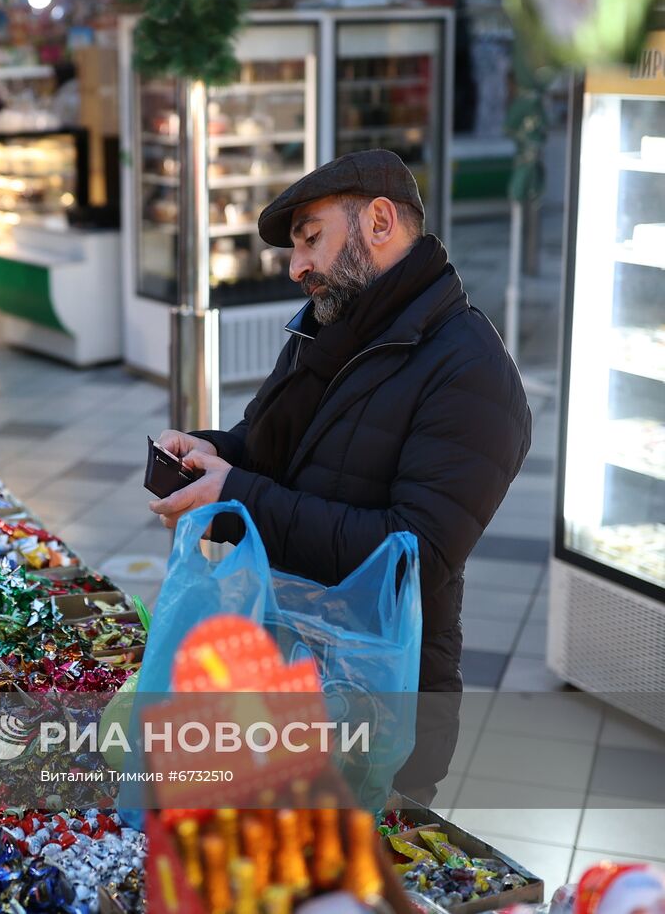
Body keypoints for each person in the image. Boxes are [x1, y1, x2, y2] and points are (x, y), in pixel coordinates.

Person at [148, 149, 532, 804]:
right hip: (283, 676)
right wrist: (213, 455)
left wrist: (239, 495)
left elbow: (412, 555)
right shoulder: (331, 328)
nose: (297, 266)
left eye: (310, 239)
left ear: (379, 221)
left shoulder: (472, 370)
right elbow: (271, 450)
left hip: (378, 717)